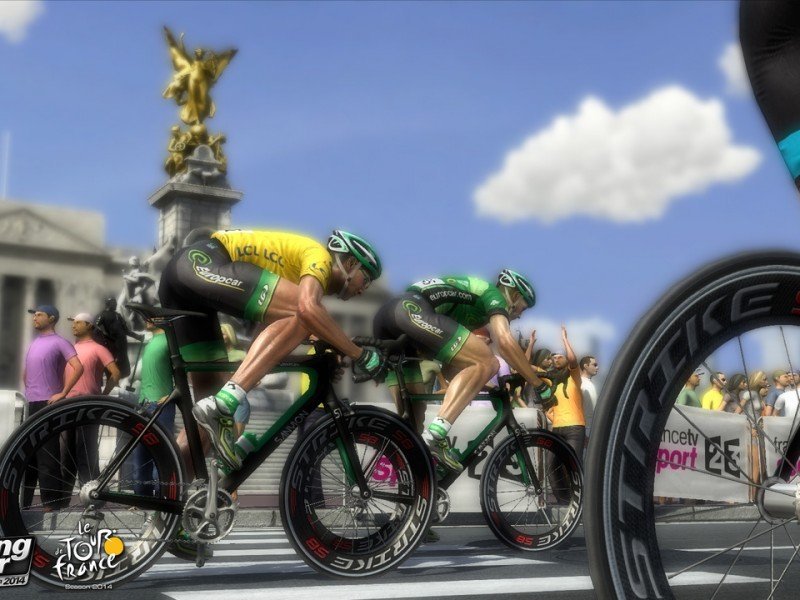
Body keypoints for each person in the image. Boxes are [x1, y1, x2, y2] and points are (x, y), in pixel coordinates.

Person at [159, 229, 384, 472]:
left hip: (182, 280)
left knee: (203, 428)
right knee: (307, 313)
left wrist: (318, 357)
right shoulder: (319, 256)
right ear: (350, 264)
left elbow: (264, 347)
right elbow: (307, 311)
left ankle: (167, 490)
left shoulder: (288, 282)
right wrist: (360, 354)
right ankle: (226, 402)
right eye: (366, 279)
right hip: (201, 261)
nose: (364, 289)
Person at [373, 270, 552, 472]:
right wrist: (538, 385)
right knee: (489, 362)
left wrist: (487, 386)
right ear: (515, 296)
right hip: (411, 309)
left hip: (389, 318)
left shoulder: (473, 312)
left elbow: (452, 369)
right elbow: (504, 342)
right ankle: (437, 435)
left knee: (413, 430)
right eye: (523, 308)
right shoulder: (492, 294)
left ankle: (413, 486)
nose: (520, 315)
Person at [22, 305, 84, 511]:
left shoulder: (60, 342)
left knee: (48, 454)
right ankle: (23, 502)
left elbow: (78, 367)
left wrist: (63, 393)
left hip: (48, 403)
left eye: (39, 315)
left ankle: (51, 503)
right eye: (34, 315)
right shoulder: (34, 343)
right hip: (32, 402)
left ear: (51, 318)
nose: (35, 318)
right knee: (28, 455)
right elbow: (27, 371)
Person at [61, 312, 120, 491]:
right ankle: (63, 497)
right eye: (73, 322)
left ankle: (92, 493)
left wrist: (103, 395)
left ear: (89, 326)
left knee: (86, 451)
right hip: (68, 404)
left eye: (78, 322)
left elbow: (115, 373)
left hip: (88, 404)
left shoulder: (98, 349)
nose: (74, 325)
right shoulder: (71, 349)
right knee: (67, 453)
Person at [546, 327, 585, 463]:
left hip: (574, 427)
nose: (556, 359)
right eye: (554, 357)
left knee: (572, 465)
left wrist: (564, 339)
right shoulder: (552, 380)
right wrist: (531, 344)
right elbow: (530, 367)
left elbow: (573, 360)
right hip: (557, 428)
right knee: (551, 466)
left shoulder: (573, 376)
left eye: (560, 357)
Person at [94, 296, 144, 379]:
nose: (116, 305)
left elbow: (126, 330)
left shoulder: (118, 315)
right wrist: (105, 339)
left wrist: (138, 337)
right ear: (109, 304)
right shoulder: (102, 315)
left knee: (124, 367)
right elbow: (96, 328)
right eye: (114, 303)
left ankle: (121, 381)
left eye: (116, 303)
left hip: (122, 344)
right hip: (112, 345)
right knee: (113, 365)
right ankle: (112, 381)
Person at [580, 355, 599, 440]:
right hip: (585, 430)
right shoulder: (580, 384)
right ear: (586, 366)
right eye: (594, 365)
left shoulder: (589, 383)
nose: (597, 368)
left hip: (592, 429)